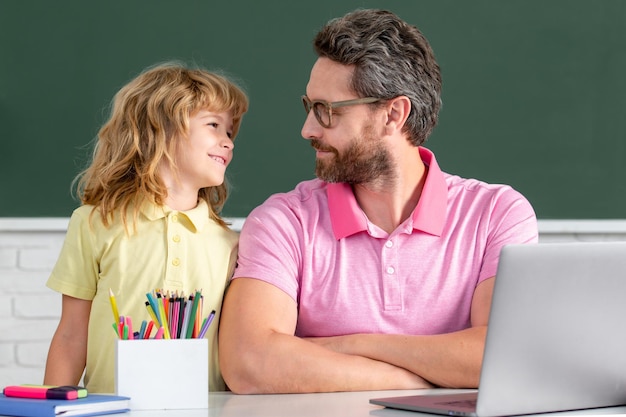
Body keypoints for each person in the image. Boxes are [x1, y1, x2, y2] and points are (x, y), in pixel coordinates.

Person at [218, 8, 538, 394]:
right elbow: (249, 363)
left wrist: (355, 344)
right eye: (309, 107)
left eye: (326, 111)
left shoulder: (497, 215)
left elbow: (506, 358)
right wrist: (425, 380)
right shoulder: (282, 222)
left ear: (394, 114)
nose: (308, 129)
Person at [43, 61, 248, 393]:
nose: (229, 142)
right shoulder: (94, 224)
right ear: (161, 128)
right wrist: (48, 409)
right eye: (214, 125)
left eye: (229, 131)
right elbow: (70, 334)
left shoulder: (231, 244)